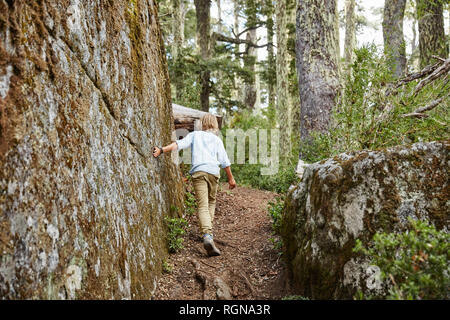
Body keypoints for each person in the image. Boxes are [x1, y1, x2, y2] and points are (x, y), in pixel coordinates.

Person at [152, 114, 236, 256]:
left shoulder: (195, 135)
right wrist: (231, 179)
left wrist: (161, 150)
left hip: (199, 172)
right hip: (213, 173)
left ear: (202, 123)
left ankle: (207, 234)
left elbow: (178, 145)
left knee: (202, 205)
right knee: (211, 202)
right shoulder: (216, 140)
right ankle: (208, 232)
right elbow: (224, 161)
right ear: (215, 124)